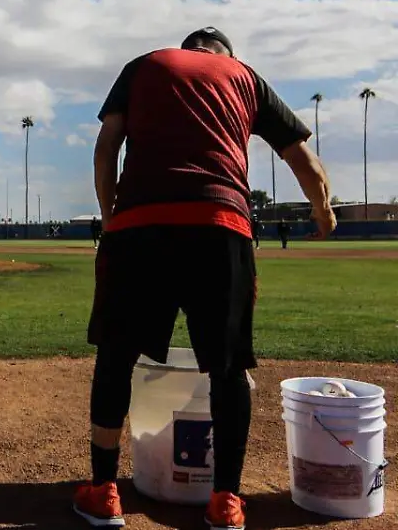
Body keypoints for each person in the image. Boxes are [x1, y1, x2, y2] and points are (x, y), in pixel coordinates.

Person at [74, 27, 335, 529]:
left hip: (138, 226)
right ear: (225, 56)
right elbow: (303, 158)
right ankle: (225, 501)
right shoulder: (243, 77)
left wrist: (111, 218)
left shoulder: (145, 64)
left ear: (187, 47)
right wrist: (323, 211)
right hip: (220, 226)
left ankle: (104, 490)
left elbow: (107, 146)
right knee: (227, 366)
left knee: (116, 353)